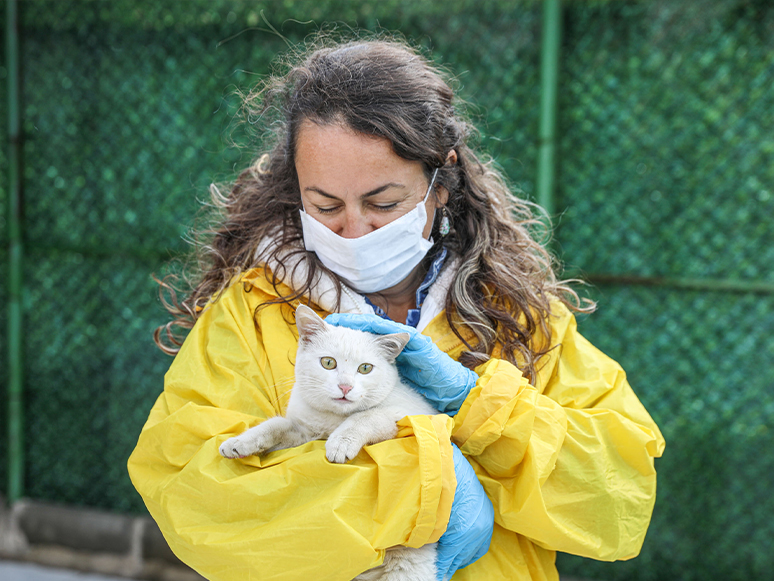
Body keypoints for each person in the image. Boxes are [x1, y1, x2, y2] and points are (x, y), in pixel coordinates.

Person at [128, 37, 665, 581]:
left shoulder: (517, 313)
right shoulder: (252, 315)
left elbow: (615, 496)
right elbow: (198, 497)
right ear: (296, 189)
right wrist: (427, 477)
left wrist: (478, 408)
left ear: (440, 183)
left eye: (383, 202)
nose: (355, 230)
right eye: (325, 204)